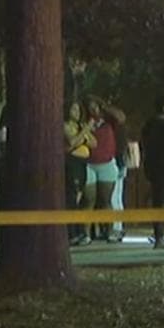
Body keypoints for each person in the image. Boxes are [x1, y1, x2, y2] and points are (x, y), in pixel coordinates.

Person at [83, 96, 125, 243]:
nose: (93, 109)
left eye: (95, 106)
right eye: (90, 107)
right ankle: (86, 234)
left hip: (106, 163)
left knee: (106, 200)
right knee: (89, 200)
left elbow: (121, 117)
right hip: (89, 163)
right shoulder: (85, 123)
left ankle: (109, 231)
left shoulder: (109, 122)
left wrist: (105, 106)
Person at [140, 95, 164, 249]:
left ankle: (159, 234)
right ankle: (159, 236)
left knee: (159, 200)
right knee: (163, 202)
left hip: (152, 167)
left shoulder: (148, 125)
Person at [64, 101, 95, 246]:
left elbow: (94, 143)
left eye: (78, 110)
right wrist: (84, 132)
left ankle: (78, 231)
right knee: (72, 197)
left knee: (81, 196)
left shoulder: (80, 127)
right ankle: (72, 232)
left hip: (83, 163)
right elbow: (72, 143)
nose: (76, 112)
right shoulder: (65, 126)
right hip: (72, 162)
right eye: (73, 109)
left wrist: (84, 131)